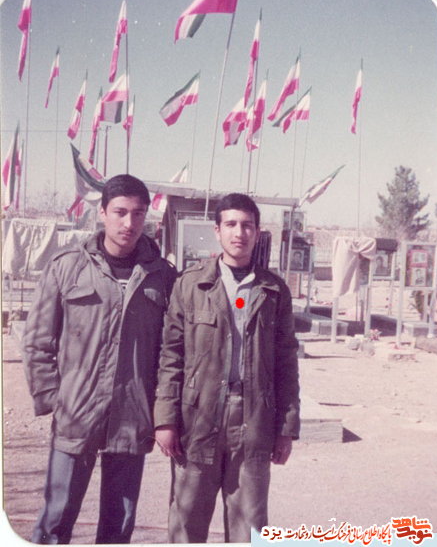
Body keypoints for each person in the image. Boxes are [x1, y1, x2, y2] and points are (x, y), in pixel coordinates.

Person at [22, 174, 176, 544]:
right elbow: (38, 340)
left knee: (118, 526)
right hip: (76, 413)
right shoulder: (67, 266)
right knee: (56, 518)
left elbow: (171, 352)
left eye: (138, 214)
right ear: (102, 212)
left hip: (132, 416)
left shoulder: (163, 277)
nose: (129, 223)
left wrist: (161, 411)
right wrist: (54, 399)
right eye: (120, 212)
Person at [154, 193, 300, 543]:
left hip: (253, 420)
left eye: (247, 225)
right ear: (217, 231)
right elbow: (171, 355)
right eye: (231, 224)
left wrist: (286, 428)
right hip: (198, 418)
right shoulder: (190, 285)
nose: (239, 233)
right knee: (187, 522)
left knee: (249, 526)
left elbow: (286, 362)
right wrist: (165, 419)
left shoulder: (273, 290)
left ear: (257, 232)